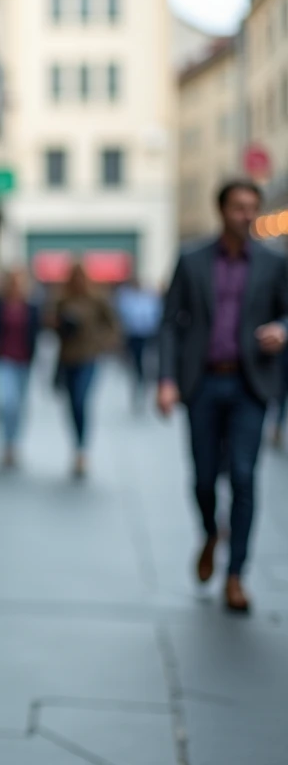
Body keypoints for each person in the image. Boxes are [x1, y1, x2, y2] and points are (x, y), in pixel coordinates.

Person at [157, 179, 288, 613]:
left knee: (245, 477)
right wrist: (166, 380)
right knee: (203, 477)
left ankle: (236, 576)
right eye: (239, 207)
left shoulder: (273, 262)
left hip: (251, 384)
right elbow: (171, 323)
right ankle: (211, 532)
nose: (247, 215)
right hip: (203, 383)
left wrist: (281, 330)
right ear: (222, 210)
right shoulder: (192, 259)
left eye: (253, 207)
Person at [50, 263, 119, 478]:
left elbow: (113, 325)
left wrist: (102, 343)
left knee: (81, 400)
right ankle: (77, 445)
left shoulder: (97, 300)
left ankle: (82, 450)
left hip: (89, 358)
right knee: (72, 404)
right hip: (68, 358)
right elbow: (50, 324)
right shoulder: (62, 300)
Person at [0, 269, 41, 469]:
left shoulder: (31, 307)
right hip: (3, 360)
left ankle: (14, 443)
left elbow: (37, 330)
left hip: (24, 361)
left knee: (19, 406)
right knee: (6, 403)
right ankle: (6, 442)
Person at [114, 277, 162, 409]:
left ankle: (144, 383)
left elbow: (156, 315)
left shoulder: (149, 297)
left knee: (147, 362)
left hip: (148, 335)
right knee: (136, 363)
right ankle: (139, 383)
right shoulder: (127, 297)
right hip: (133, 336)